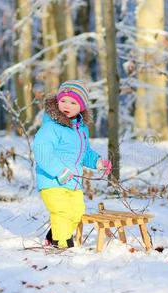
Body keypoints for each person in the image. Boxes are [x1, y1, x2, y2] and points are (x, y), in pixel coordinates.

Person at [33, 80, 111, 248]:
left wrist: (98, 161)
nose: (66, 105)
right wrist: (59, 171)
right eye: (63, 101)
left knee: (76, 213)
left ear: (81, 107)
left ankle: (52, 235)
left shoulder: (81, 129)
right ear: (57, 102)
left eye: (73, 102)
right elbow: (42, 152)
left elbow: (85, 153)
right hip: (52, 179)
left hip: (73, 181)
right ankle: (62, 244)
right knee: (62, 212)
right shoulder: (51, 127)